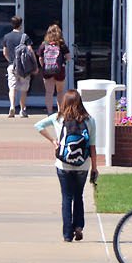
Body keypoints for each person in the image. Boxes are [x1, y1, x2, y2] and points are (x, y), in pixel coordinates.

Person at [35, 88, 97, 242]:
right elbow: (92, 147)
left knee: (66, 197)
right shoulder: (89, 120)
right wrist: (95, 167)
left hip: (63, 165)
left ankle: (67, 234)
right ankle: (79, 226)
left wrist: (53, 141)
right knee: (78, 196)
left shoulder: (58, 118)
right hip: (83, 165)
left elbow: (38, 126)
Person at [0, 16, 34, 118]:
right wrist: (33, 64)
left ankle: (12, 106)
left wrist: (11, 61)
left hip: (12, 66)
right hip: (24, 67)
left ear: (12, 24)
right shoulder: (25, 37)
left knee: (12, 87)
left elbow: (4, 52)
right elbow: (30, 50)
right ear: (21, 24)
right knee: (23, 89)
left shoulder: (6, 37)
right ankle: (22, 110)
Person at [37, 23, 71, 114]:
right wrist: (63, 62)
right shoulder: (61, 44)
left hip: (47, 70)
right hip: (59, 70)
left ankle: (49, 112)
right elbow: (68, 57)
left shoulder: (44, 45)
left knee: (49, 92)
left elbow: (40, 58)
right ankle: (60, 111)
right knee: (60, 92)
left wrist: (44, 66)